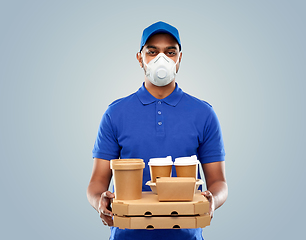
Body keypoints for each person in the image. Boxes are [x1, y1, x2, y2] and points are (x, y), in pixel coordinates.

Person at [87, 21, 228, 240]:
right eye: (152, 52)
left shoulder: (203, 113)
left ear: (179, 58)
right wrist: (99, 201)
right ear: (139, 58)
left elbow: (218, 182)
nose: (161, 59)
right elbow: (97, 180)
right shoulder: (115, 113)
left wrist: (213, 200)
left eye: (170, 52)